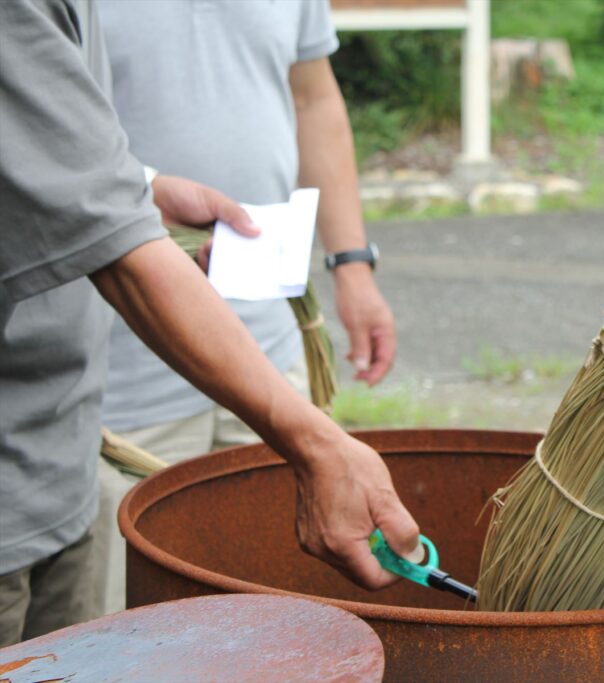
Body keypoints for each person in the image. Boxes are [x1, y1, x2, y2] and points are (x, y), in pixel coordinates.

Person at [0, 0, 419, 646]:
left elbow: (49, 137)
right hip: (93, 413)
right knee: (135, 637)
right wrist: (318, 442)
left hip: (68, 446)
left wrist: (142, 188)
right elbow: (124, 256)